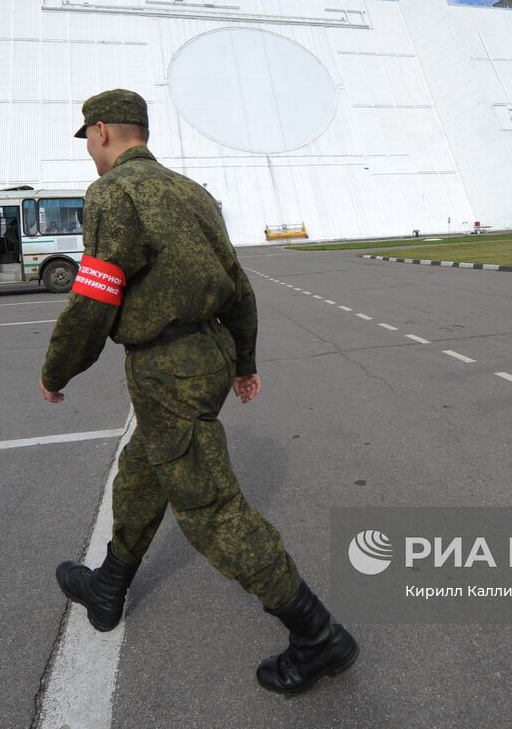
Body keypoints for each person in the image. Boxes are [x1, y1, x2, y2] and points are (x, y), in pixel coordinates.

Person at [38, 89, 357, 695]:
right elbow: (239, 286)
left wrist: (58, 370)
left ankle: (318, 636)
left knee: (211, 508)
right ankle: (108, 586)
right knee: (141, 471)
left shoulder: (113, 193)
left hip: (168, 369)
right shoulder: (194, 193)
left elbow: (95, 296)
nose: (91, 154)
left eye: (89, 142)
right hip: (207, 354)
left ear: (101, 132)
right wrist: (243, 359)